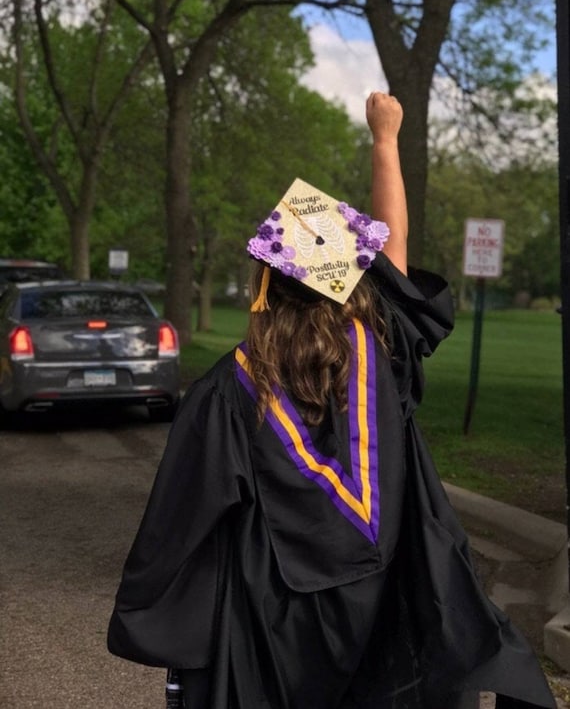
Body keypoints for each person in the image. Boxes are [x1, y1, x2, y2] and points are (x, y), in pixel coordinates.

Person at [107, 92, 556, 709]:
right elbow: (394, 261)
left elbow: (180, 521)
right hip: (393, 595)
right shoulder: (381, 352)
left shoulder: (227, 391)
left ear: (265, 282)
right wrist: (385, 140)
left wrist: (168, 616)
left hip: (273, 621)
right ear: (348, 282)